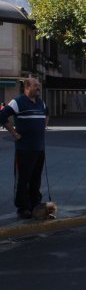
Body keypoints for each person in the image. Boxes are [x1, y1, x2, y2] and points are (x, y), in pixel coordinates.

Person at [0, 78, 49, 219]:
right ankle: (22, 207)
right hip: (24, 149)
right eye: (35, 86)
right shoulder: (17, 102)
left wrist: (43, 126)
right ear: (27, 87)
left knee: (36, 178)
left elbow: (47, 113)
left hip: (39, 148)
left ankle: (35, 204)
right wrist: (14, 133)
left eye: (38, 86)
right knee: (23, 179)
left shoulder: (41, 102)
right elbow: (2, 116)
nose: (38, 88)